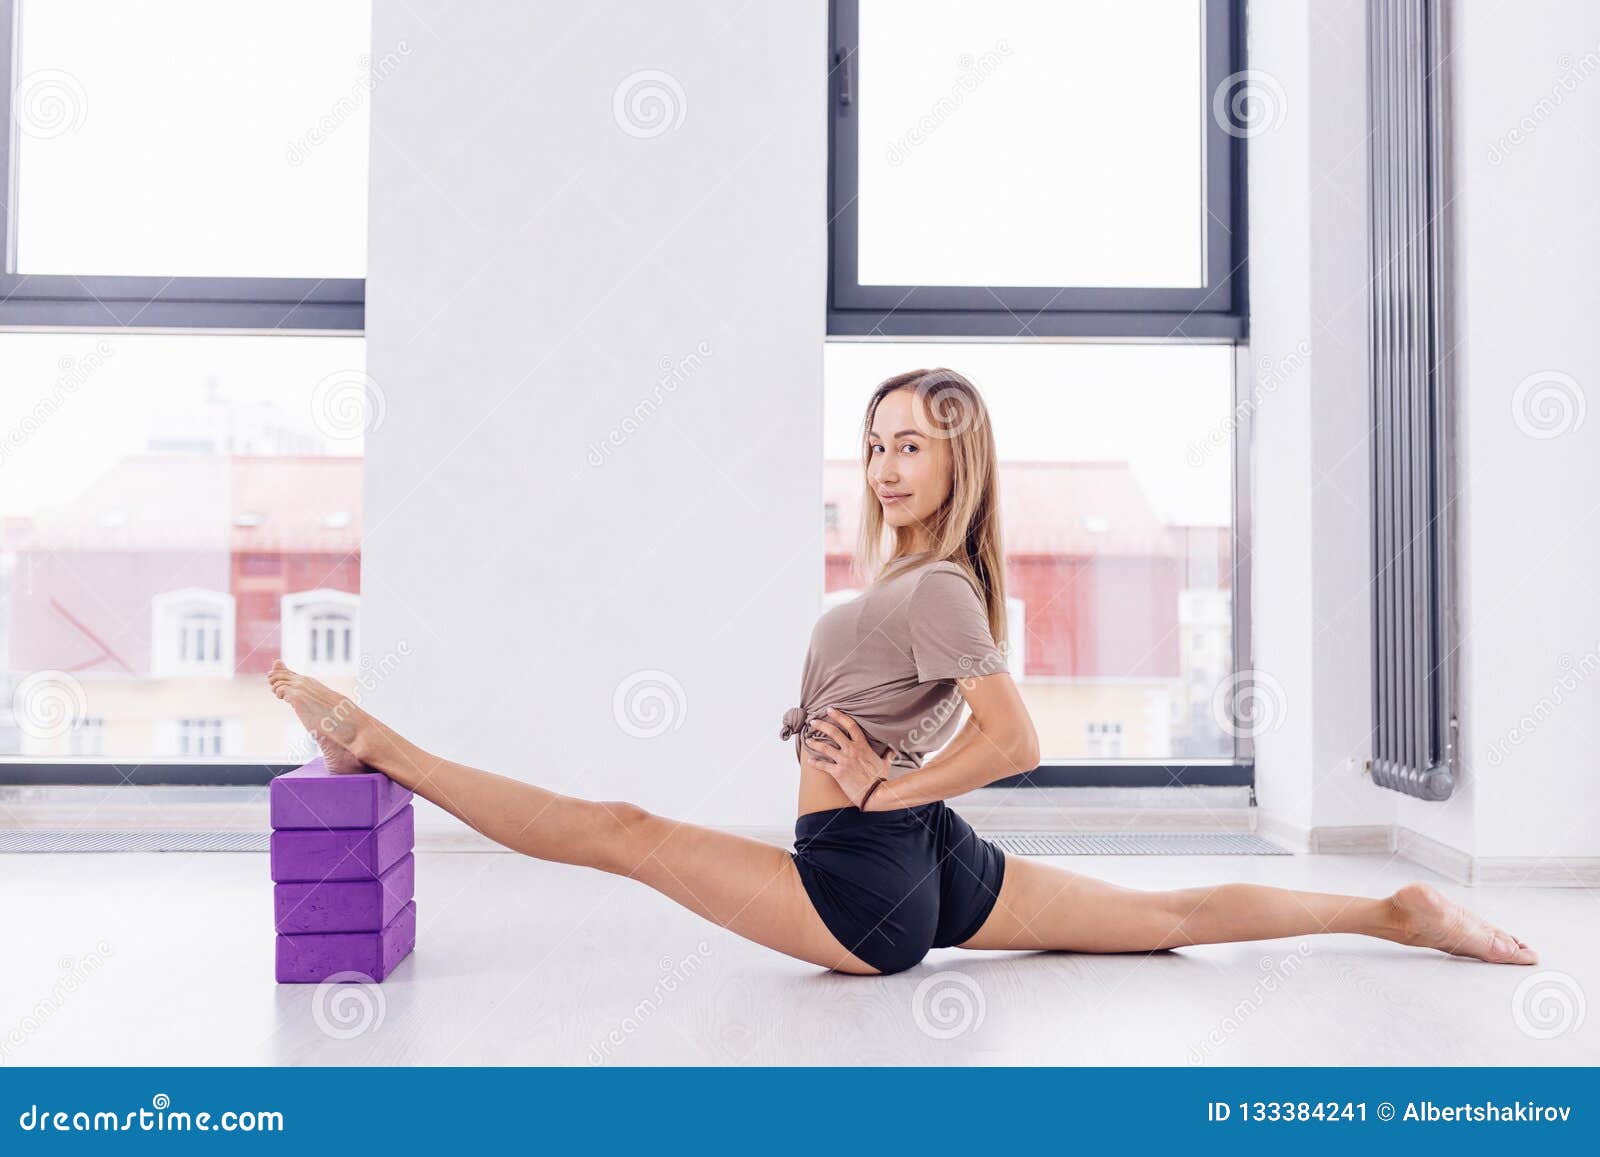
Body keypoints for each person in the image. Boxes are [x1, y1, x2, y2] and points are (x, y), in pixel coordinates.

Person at [269, 367, 1537, 975]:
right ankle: (1392, 913)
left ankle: (385, 746)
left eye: (912, 448)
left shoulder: (932, 587)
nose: (883, 467)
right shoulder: (930, 582)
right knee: (1166, 922)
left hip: (865, 884)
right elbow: (962, 726)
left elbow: (1019, 735)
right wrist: (902, 772)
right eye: (873, 444)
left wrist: (883, 788)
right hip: (929, 861)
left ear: (957, 464)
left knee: (624, 830)